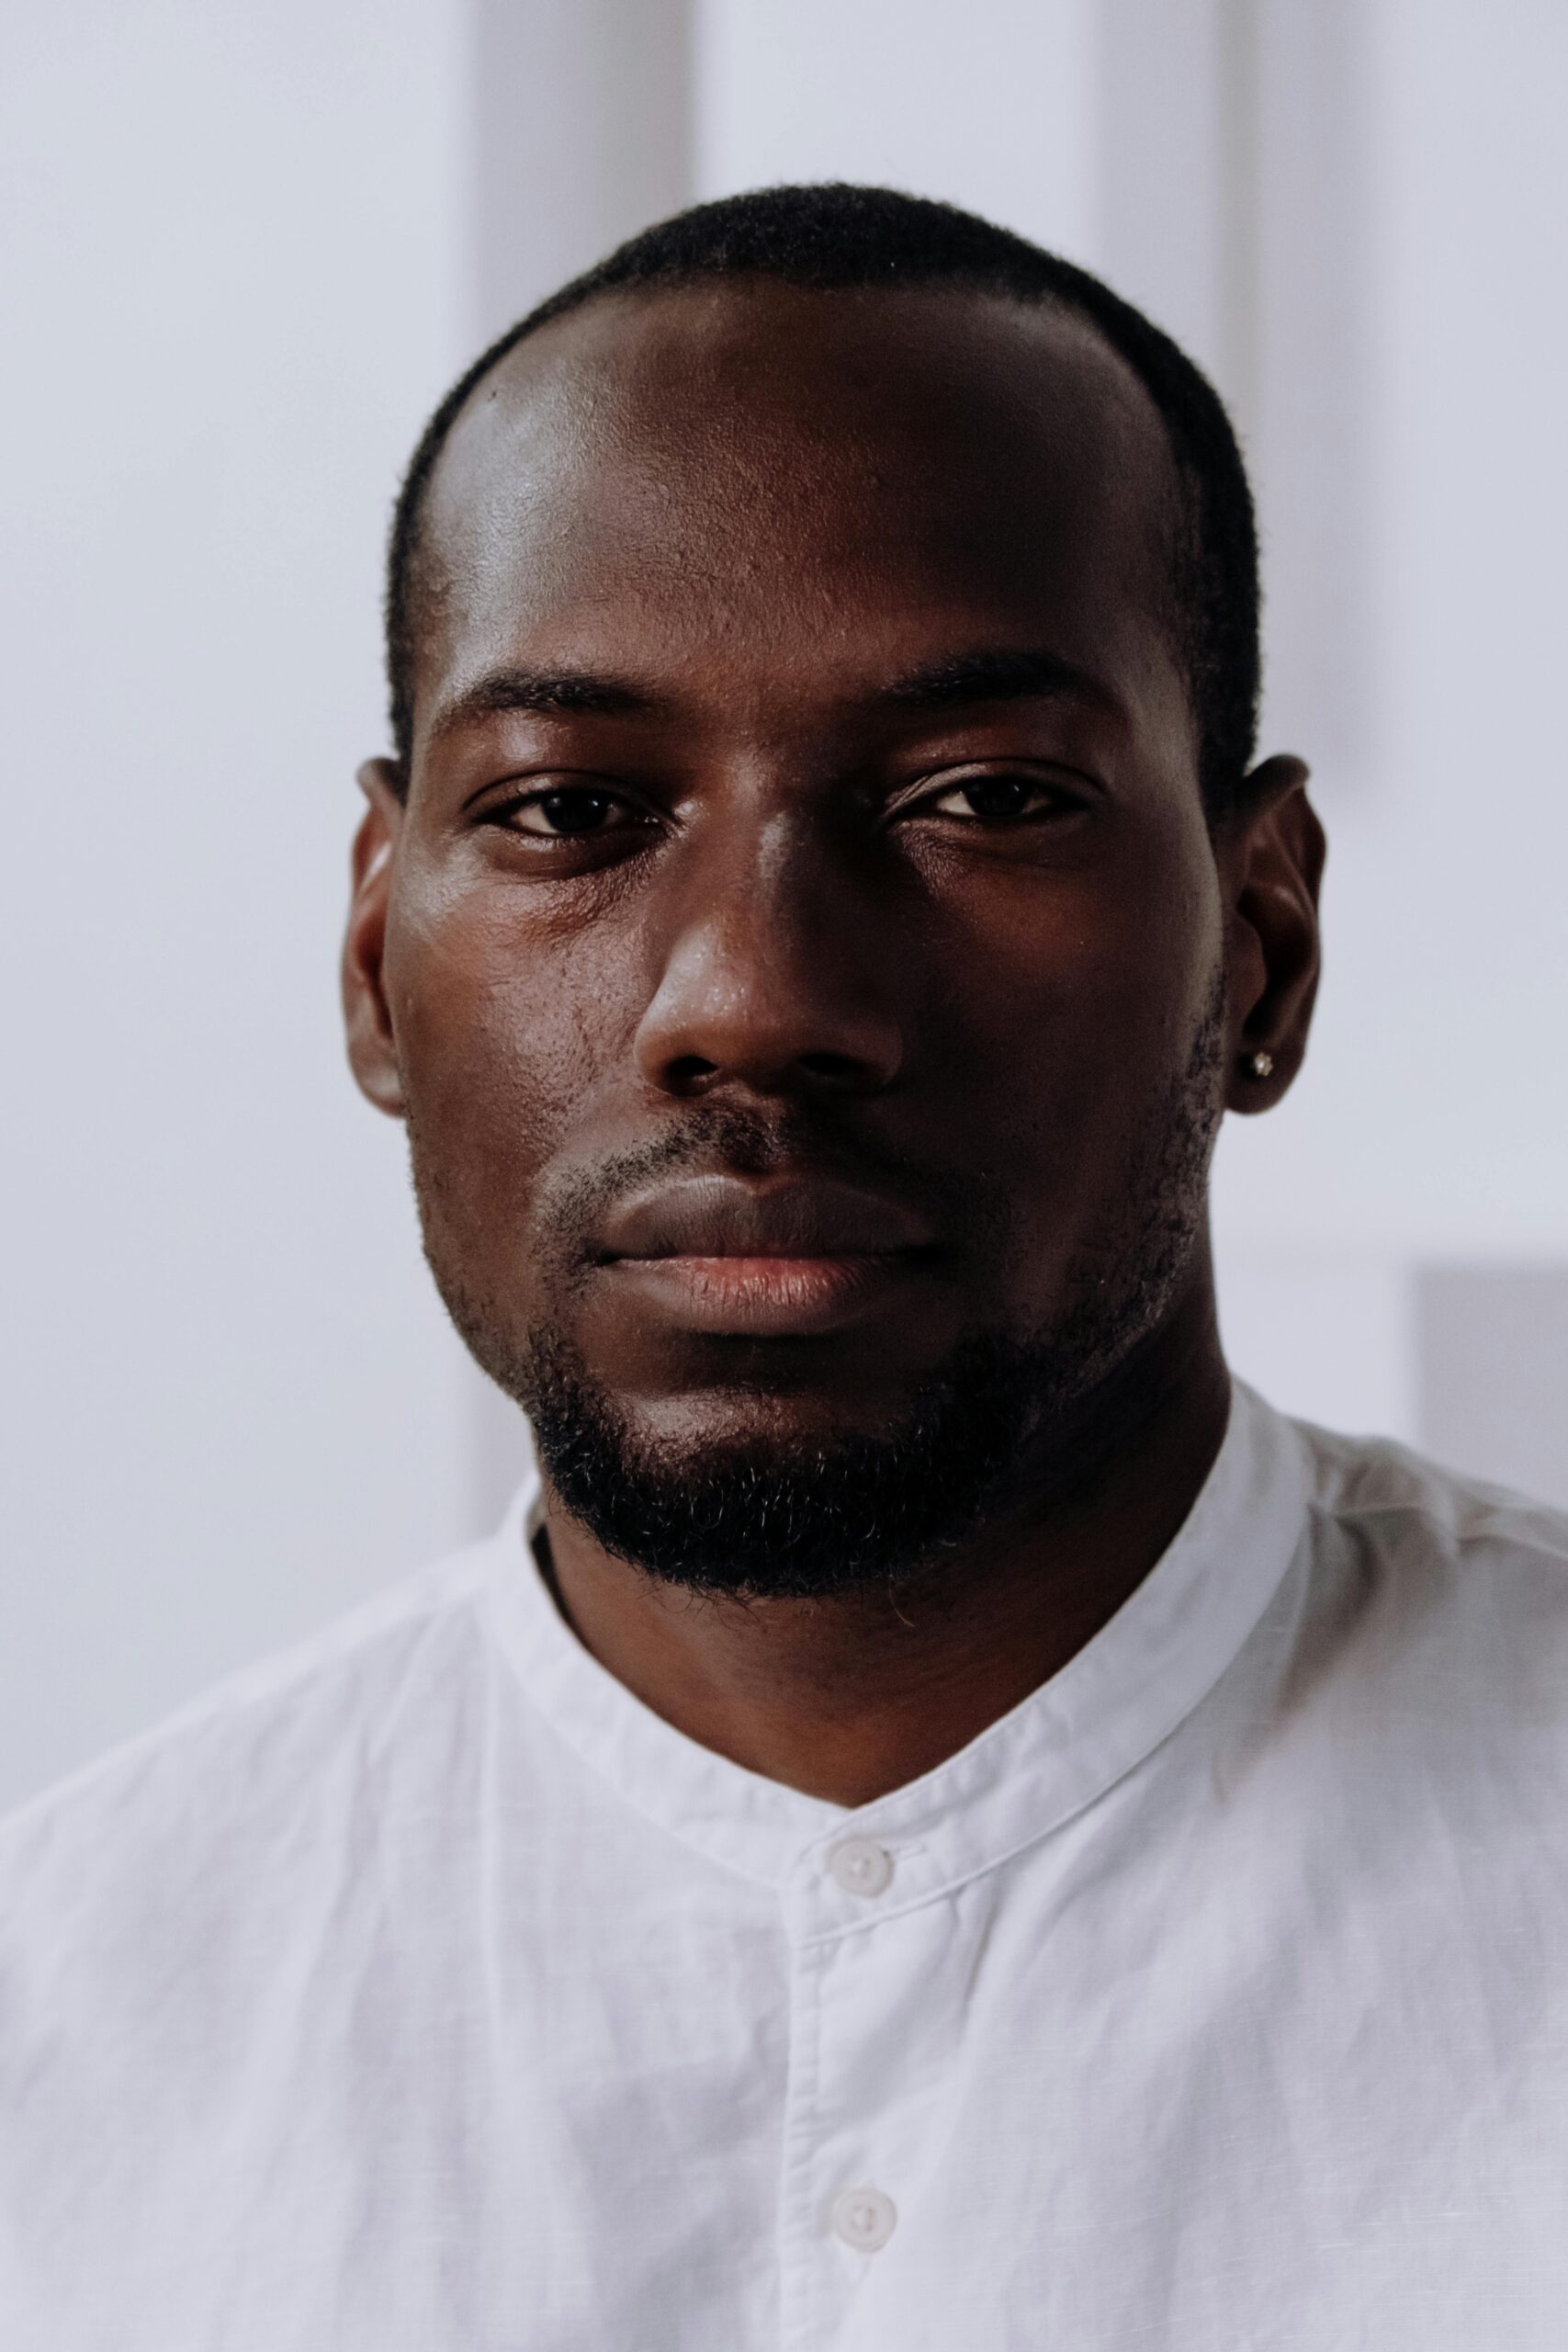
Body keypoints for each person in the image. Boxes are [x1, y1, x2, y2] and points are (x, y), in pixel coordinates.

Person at [2, 184, 1564, 2349]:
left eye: (980, 798)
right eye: (567, 811)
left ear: (1262, 945)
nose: (752, 994)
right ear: (375, 956)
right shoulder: (64, 2037)